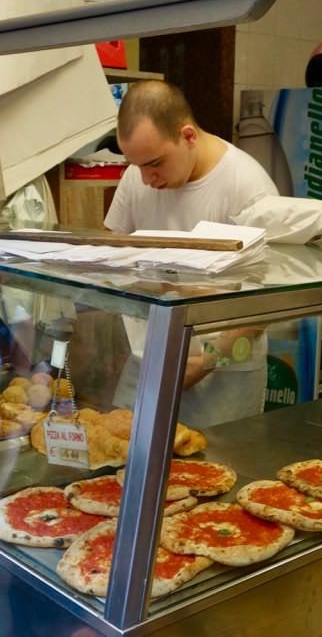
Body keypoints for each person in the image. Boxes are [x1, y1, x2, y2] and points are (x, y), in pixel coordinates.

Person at [103, 80, 279, 426]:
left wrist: (205, 362)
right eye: (136, 165)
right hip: (150, 355)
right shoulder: (136, 177)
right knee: (121, 463)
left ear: (188, 136)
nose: (146, 178)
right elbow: (111, 256)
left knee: (216, 468)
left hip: (224, 367)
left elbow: (262, 304)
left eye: (154, 163)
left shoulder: (246, 186)